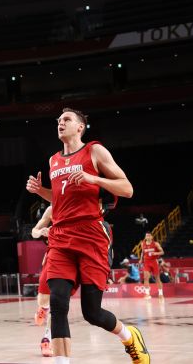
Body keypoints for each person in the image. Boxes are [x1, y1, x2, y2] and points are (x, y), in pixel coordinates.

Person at [26, 107, 149, 363]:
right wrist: (41, 192)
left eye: (66, 119)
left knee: (92, 312)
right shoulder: (53, 160)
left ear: (80, 127)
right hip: (60, 236)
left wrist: (94, 179)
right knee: (58, 302)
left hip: (91, 235)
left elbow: (127, 189)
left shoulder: (94, 151)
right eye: (58, 120)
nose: (60, 123)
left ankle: (130, 336)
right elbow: (60, 199)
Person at [31, 204, 54, 357]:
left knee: (58, 304)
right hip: (52, 255)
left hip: (70, 258)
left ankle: (47, 339)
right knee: (43, 300)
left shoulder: (79, 205)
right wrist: (40, 232)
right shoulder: (52, 209)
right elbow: (33, 232)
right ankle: (43, 309)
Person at [139, 232, 164, 299]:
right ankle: (147, 294)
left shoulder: (156, 244)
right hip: (146, 262)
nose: (148, 237)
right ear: (145, 237)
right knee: (146, 278)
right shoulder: (142, 244)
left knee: (157, 279)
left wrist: (156, 253)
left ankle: (161, 294)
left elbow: (162, 252)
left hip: (154, 262)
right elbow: (142, 252)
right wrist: (141, 259)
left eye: (149, 236)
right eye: (147, 236)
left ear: (152, 237)